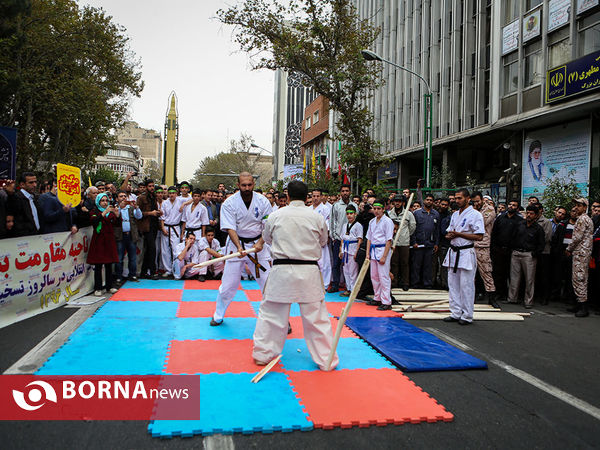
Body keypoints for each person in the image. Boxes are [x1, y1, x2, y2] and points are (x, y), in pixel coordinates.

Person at [253, 180, 339, 371]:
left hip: (281, 271)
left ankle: (262, 354)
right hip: (308, 271)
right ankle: (326, 360)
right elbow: (323, 240)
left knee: (271, 315)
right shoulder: (316, 217)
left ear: (288, 197)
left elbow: (267, 239)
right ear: (307, 197)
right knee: (316, 318)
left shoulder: (275, 216)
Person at [211, 172, 272, 326]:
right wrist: (238, 247)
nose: (246, 188)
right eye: (243, 185)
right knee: (228, 285)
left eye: (249, 185)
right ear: (238, 185)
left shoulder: (263, 201)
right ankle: (218, 315)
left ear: (253, 184)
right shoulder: (229, 203)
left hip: (258, 246)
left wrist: (260, 243)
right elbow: (230, 228)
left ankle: (277, 319)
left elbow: (268, 226)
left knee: (268, 284)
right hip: (236, 245)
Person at [442, 189, 484, 325]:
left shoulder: (475, 214)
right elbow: (450, 231)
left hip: (466, 252)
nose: (457, 200)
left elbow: (479, 236)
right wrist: (449, 235)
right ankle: (455, 312)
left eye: (460, 198)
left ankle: (467, 315)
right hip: (453, 252)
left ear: (467, 199)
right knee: (453, 284)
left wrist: (459, 234)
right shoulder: (455, 215)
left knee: (466, 285)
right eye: (455, 198)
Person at [505, 204, 545, 308]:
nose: (529, 215)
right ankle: (512, 298)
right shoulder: (520, 224)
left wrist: (534, 254)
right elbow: (512, 237)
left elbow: (541, 244)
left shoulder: (538, 228)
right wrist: (512, 249)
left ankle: (528, 301)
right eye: (527, 213)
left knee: (529, 279)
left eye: (531, 214)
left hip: (529, 255)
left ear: (536, 215)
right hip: (516, 252)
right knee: (514, 278)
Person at [87, 193, 120, 296]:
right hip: (98, 240)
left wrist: (117, 215)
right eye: (102, 201)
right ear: (98, 202)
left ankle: (109, 286)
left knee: (109, 264)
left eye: (106, 200)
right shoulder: (94, 211)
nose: (105, 202)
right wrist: (104, 212)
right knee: (98, 265)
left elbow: (117, 224)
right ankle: (98, 287)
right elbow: (94, 221)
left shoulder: (111, 213)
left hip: (109, 240)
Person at [565, 198, 594, 317]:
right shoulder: (586, 219)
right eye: (575, 205)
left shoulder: (582, 219)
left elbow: (577, 237)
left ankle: (583, 306)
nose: (576, 208)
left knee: (579, 278)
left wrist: (568, 249)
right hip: (582, 252)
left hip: (581, 253)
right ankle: (578, 304)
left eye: (579, 205)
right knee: (579, 278)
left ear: (585, 207)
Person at [490, 200, 523, 301]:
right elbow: (494, 232)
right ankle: (499, 292)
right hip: (499, 249)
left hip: (511, 250)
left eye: (514, 205)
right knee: (498, 272)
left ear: (517, 208)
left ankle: (511, 294)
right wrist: (494, 246)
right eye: (510, 204)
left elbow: (519, 235)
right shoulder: (500, 218)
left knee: (511, 273)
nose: (511, 206)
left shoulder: (519, 220)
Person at [366, 199, 394, 310]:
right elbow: (369, 238)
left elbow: (389, 240)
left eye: (379, 209)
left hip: (383, 249)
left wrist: (384, 256)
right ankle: (377, 298)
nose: (376, 211)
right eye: (375, 209)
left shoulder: (387, 221)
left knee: (384, 276)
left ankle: (386, 301)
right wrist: (367, 253)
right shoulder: (372, 221)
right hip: (373, 250)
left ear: (383, 209)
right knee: (374, 276)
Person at [329, 184, 358, 292]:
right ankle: (335, 284)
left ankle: (349, 286)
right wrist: (333, 236)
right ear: (340, 193)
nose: (345, 193)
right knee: (336, 263)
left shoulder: (354, 205)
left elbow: (357, 221)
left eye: (347, 191)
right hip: (338, 239)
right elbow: (332, 221)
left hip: (352, 241)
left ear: (350, 192)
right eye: (343, 191)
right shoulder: (336, 206)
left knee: (350, 264)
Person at [471, 192, 498, 308]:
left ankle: (491, 297)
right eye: (474, 201)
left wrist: (474, 212)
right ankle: (471, 296)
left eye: (478, 201)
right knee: (469, 273)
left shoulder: (489, 210)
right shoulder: (471, 209)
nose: (476, 203)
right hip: (470, 244)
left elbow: (480, 223)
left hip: (482, 245)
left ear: (482, 200)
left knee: (486, 272)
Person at [411, 194, 440, 289]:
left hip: (430, 244)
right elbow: (413, 229)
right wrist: (414, 242)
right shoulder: (417, 213)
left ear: (433, 202)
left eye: (431, 200)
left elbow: (437, 230)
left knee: (428, 266)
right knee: (416, 265)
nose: (429, 201)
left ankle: (427, 284)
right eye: (427, 199)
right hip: (418, 244)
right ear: (424, 201)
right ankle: (415, 283)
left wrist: (436, 243)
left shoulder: (436, 214)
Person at [388, 194, 416, 291]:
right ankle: (394, 282)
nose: (397, 203)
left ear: (403, 203)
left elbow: (412, 227)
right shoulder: (389, 214)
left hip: (404, 242)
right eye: (396, 201)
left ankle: (405, 283)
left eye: (399, 201)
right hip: (392, 242)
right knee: (394, 263)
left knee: (405, 263)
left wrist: (406, 235)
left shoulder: (408, 214)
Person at [114, 190, 142, 283]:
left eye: (125, 196)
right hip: (120, 236)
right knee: (119, 258)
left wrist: (137, 208)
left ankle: (132, 275)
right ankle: (119, 277)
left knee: (133, 257)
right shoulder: (115, 208)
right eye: (121, 196)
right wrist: (119, 209)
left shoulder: (131, 208)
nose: (123, 198)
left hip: (131, 235)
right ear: (117, 199)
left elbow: (139, 216)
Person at [137, 179, 162, 280]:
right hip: (146, 226)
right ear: (146, 187)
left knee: (149, 250)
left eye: (153, 186)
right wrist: (150, 213)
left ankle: (144, 272)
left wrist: (158, 212)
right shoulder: (141, 198)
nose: (152, 188)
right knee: (152, 249)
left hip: (154, 225)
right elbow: (138, 213)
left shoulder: (153, 197)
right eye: (150, 186)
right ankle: (152, 271)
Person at [339, 204, 363, 296]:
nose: (349, 215)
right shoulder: (345, 225)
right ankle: (348, 288)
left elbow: (360, 239)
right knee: (346, 271)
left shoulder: (358, 225)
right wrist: (341, 250)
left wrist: (357, 252)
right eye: (348, 213)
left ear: (355, 214)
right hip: (345, 249)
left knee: (353, 271)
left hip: (353, 249)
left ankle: (353, 290)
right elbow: (342, 239)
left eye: (351, 213)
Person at [159, 186, 183, 277]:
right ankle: (168, 270)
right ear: (168, 194)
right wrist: (163, 228)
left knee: (175, 250)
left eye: (173, 193)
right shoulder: (165, 203)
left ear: (176, 194)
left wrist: (184, 205)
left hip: (176, 228)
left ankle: (176, 270)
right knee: (165, 250)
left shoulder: (180, 201)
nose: (171, 195)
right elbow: (162, 217)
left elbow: (191, 200)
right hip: (166, 227)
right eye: (170, 193)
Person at [311, 189, 332, 289]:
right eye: (314, 196)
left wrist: (326, 236)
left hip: (321, 238)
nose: (315, 198)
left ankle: (325, 284)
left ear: (321, 196)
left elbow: (326, 225)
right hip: (310, 239)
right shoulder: (308, 209)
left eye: (317, 196)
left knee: (324, 263)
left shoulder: (325, 209)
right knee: (311, 263)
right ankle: (313, 284)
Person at [12, 172, 41, 237]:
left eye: (35, 182)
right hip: (24, 238)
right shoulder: (16, 198)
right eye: (31, 182)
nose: (34, 185)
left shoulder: (35, 198)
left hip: (37, 236)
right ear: (22, 184)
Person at [435, 198, 451, 290]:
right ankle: (435, 282)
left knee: (444, 264)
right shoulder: (435, 214)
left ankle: (445, 283)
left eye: (446, 205)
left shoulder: (450, 216)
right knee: (434, 265)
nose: (444, 206)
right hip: (435, 242)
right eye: (442, 204)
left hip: (445, 243)